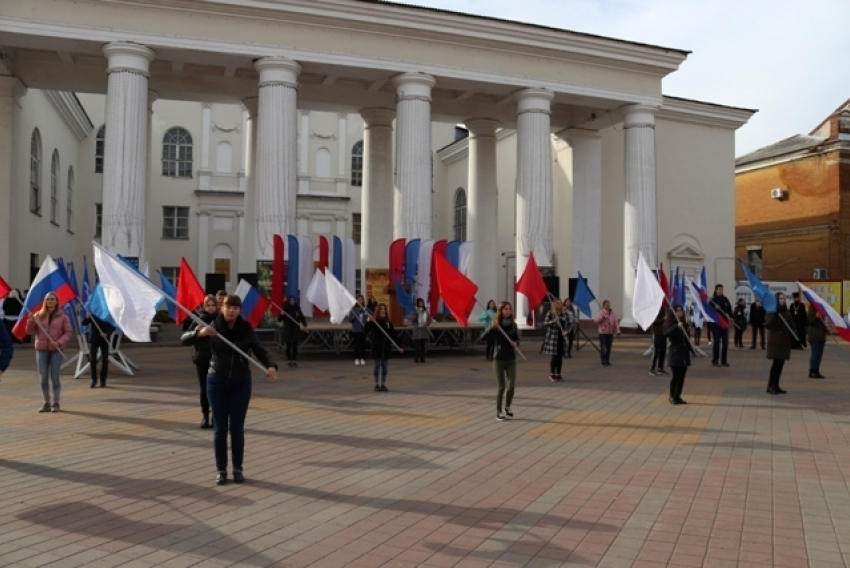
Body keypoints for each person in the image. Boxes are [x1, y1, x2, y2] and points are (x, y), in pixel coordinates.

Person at [190, 294, 277, 485]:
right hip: (216, 381)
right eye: (228, 307)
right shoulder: (212, 326)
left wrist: (271, 365)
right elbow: (185, 339)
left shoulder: (245, 329)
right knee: (220, 429)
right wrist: (200, 333)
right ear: (222, 307)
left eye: (235, 308)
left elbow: (259, 349)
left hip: (240, 381)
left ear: (239, 311)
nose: (231, 311)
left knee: (237, 428)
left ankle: (238, 468)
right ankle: (221, 470)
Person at [26, 292, 73, 413]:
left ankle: (56, 402)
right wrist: (31, 321)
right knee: (43, 377)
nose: (50, 301)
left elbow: (68, 332)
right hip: (41, 350)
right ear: (45, 302)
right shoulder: (39, 315)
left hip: (56, 350)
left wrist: (59, 342)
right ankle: (46, 402)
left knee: (55, 377)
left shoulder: (63, 316)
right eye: (48, 299)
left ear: (57, 301)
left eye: (52, 299)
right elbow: (30, 331)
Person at [180, 294, 219, 428]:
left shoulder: (221, 320)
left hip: (218, 359)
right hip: (202, 358)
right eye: (208, 305)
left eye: (213, 305)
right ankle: (205, 416)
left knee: (217, 389)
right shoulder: (199, 319)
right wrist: (197, 333)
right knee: (205, 388)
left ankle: (216, 416)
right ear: (204, 306)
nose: (211, 308)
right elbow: (185, 338)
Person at [492, 301, 519, 421]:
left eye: (509, 309)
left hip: (511, 358)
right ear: (501, 311)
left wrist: (515, 343)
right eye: (505, 309)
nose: (508, 311)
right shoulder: (497, 325)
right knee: (501, 386)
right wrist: (492, 329)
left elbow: (517, 339)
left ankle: (507, 406)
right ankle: (498, 411)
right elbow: (485, 337)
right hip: (499, 358)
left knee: (511, 385)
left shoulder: (513, 325)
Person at [366, 303, 402, 391]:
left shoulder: (388, 323)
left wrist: (399, 346)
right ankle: (376, 384)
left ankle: (383, 384)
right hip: (377, 347)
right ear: (378, 311)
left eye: (384, 309)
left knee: (385, 367)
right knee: (376, 366)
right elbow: (365, 331)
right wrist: (368, 322)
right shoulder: (374, 322)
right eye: (381, 309)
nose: (383, 311)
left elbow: (393, 335)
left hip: (385, 348)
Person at [665, 304, 696, 405]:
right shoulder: (671, 323)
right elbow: (667, 333)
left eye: (681, 311)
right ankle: (672, 396)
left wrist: (692, 350)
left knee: (682, 376)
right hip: (675, 352)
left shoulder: (684, 324)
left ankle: (678, 396)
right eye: (678, 311)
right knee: (676, 376)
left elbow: (687, 340)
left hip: (684, 352)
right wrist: (676, 327)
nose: (680, 312)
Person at [765, 292, 793, 395]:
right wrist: (775, 316)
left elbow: (791, 325)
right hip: (775, 341)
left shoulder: (786, 312)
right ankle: (771, 385)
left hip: (784, 342)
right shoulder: (772, 311)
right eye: (780, 298)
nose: (782, 300)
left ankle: (776, 385)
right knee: (776, 365)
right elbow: (767, 324)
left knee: (780, 364)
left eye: (784, 298)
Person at [82, 311, 116, 388]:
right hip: (94, 339)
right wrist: (87, 317)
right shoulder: (94, 313)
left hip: (105, 339)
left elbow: (113, 326)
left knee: (105, 360)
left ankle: (103, 379)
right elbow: (84, 323)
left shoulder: (108, 313)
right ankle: (94, 379)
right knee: (93, 360)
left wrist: (107, 333)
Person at [541, 298, 567, 382]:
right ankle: (552, 374)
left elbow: (568, 324)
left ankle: (558, 373)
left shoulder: (564, 314)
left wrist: (566, 331)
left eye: (561, 303)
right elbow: (545, 323)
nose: (560, 305)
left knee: (560, 357)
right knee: (554, 357)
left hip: (561, 338)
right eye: (558, 303)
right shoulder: (551, 313)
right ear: (555, 304)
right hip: (553, 338)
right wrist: (553, 321)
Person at [278, 296, 307, 367]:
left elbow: (302, 317)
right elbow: (279, 319)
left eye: (293, 300)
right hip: (288, 330)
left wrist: (304, 324)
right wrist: (281, 315)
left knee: (295, 346)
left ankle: (294, 360)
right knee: (288, 346)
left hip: (295, 330)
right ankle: (288, 360)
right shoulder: (285, 310)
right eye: (290, 301)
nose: (292, 302)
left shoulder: (297, 309)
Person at [710, 284, 732, 367]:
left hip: (724, 324)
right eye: (719, 289)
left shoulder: (726, 299)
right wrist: (714, 308)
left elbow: (729, 310)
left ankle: (724, 360)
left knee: (725, 343)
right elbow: (709, 312)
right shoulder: (712, 300)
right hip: (716, 325)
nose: (721, 290)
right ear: (716, 290)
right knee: (716, 343)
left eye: (722, 289)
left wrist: (731, 317)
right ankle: (715, 360)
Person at [594, 300, 620, 367]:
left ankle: (607, 360)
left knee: (609, 347)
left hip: (610, 332)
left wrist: (618, 331)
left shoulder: (612, 313)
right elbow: (596, 320)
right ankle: (603, 361)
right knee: (603, 347)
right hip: (602, 332)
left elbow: (616, 323)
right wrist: (602, 317)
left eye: (609, 305)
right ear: (603, 305)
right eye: (606, 305)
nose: (608, 306)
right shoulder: (601, 313)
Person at [408, 297, 432, 363]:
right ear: (417, 303)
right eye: (420, 302)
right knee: (417, 346)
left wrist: (427, 323)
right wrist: (416, 315)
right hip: (417, 331)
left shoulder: (425, 311)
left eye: (422, 302)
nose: (421, 304)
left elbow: (430, 319)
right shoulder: (415, 311)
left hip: (424, 330)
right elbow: (411, 319)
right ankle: (416, 358)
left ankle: (422, 358)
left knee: (423, 346)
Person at [348, 294, 370, 366]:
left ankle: (362, 358)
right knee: (357, 345)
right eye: (358, 299)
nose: (360, 301)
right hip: (356, 329)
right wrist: (354, 316)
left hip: (363, 329)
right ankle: (357, 358)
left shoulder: (365, 309)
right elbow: (350, 319)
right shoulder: (353, 309)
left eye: (361, 299)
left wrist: (368, 319)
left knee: (363, 345)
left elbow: (370, 316)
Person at [807, 303, 827, 379]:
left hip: (821, 335)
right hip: (814, 335)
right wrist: (816, 317)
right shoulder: (812, 308)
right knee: (815, 353)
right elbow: (809, 321)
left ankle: (817, 370)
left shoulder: (821, 309)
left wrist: (826, 329)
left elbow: (822, 323)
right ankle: (812, 370)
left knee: (819, 354)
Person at [649, 306, 668, 376]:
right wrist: (663, 319)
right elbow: (653, 321)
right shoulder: (654, 309)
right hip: (656, 333)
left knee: (663, 351)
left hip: (663, 333)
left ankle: (660, 368)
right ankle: (652, 368)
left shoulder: (663, 308)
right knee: (656, 351)